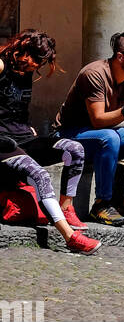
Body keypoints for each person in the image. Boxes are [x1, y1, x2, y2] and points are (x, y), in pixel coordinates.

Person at [0, 29, 99, 254]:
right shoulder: (2, 66)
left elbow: (14, 108)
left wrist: (28, 127)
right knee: (40, 174)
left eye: (40, 61)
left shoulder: (26, 72)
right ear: (22, 49)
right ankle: (70, 237)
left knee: (74, 149)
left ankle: (66, 207)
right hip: (2, 143)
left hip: (22, 137)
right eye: (34, 58)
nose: (35, 65)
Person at [56, 28, 124, 227]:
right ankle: (102, 204)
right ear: (120, 56)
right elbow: (97, 120)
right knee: (109, 137)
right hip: (70, 134)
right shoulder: (94, 74)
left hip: (102, 136)